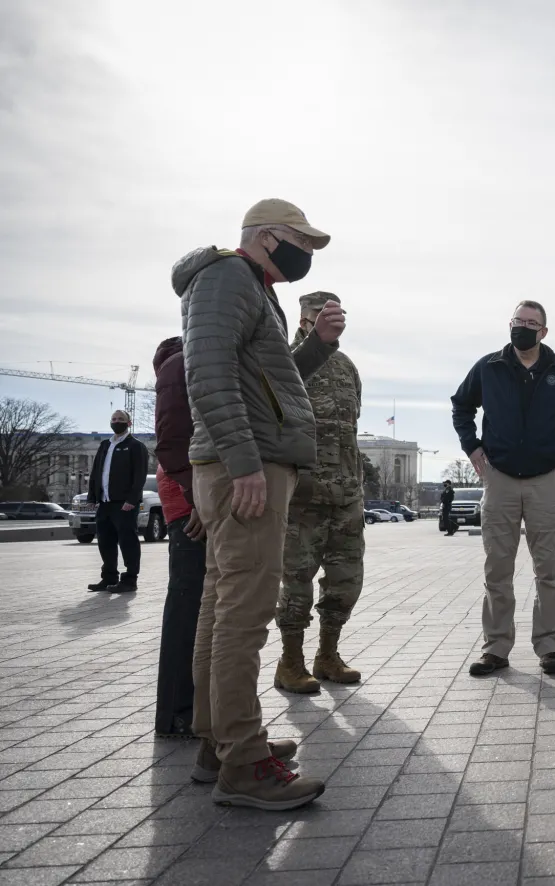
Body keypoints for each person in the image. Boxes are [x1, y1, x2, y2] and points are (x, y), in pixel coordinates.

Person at [175, 197, 345, 810]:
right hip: (244, 467)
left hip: (240, 461)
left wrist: (317, 346)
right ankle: (243, 764)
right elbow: (208, 370)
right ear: (268, 237)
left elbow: (266, 381)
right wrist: (245, 464)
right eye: (300, 242)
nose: (306, 255)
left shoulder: (248, 286)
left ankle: (218, 741)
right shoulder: (227, 276)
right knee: (243, 615)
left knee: (222, 608)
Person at [452, 300, 555, 678]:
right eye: (518, 321)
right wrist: (473, 448)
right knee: (497, 569)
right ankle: (496, 648)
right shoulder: (489, 367)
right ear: (509, 325)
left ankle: (550, 647)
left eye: (531, 323)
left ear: (544, 331)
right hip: (499, 478)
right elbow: (461, 406)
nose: (523, 327)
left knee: (547, 569)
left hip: (544, 481)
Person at [274, 292, 365, 695]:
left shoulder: (347, 367)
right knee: (296, 583)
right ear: (303, 317)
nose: (328, 321)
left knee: (346, 580)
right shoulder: (286, 360)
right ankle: (289, 662)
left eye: (336, 315)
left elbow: (351, 429)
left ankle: (327, 655)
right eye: (318, 314)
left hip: (346, 495)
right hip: (302, 497)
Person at [152, 336, 204, 737]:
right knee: (189, 603)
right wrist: (196, 496)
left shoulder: (183, 361)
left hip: (190, 497)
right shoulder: (180, 363)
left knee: (195, 602)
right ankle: (178, 713)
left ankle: (187, 710)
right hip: (190, 502)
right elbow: (172, 441)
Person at [85, 409, 148, 594]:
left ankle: (129, 580)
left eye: (121, 419)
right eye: (114, 419)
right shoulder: (105, 445)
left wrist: (132, 499)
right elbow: (96, 472)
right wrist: (92, 496)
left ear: (129, 423)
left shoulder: (136, 446)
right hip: (104, 503)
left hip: (124, 504)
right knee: (105, 541)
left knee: (128, 541)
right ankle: (109, 577)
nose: (117, 421)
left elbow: (140, 475)